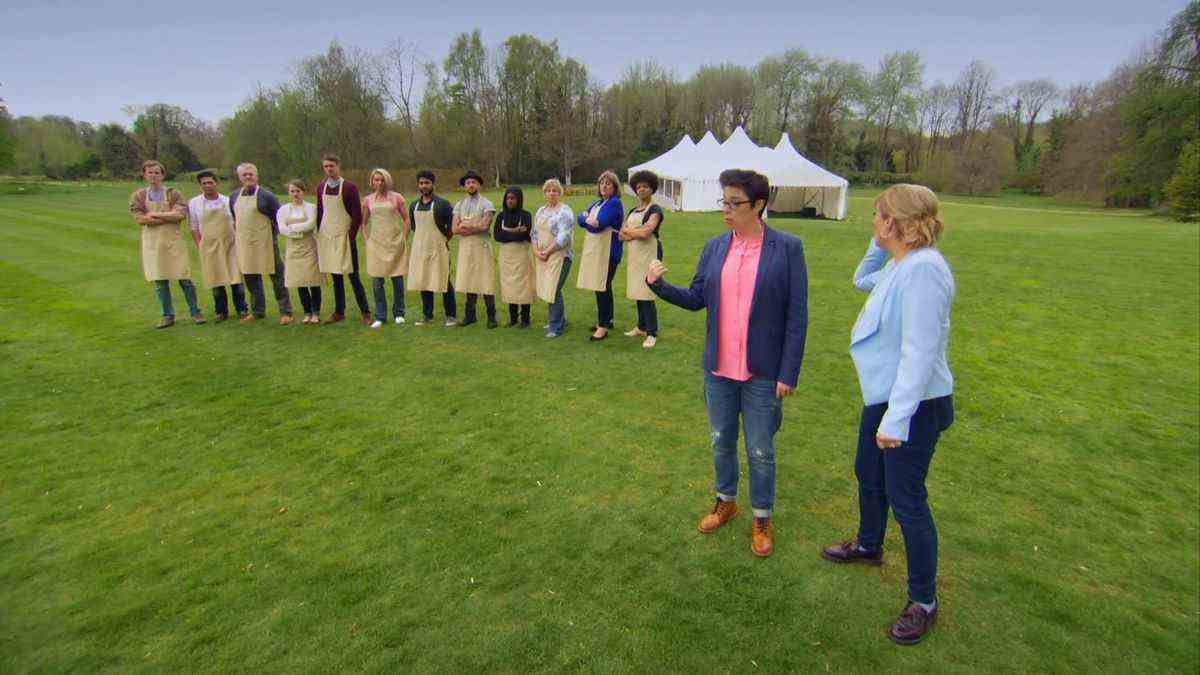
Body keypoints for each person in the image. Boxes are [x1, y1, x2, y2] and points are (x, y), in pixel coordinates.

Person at [646, 169, 808, 558]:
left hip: (762, 372)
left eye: (735, 203)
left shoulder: (787, 248)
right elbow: (697, 298)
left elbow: (796, 316)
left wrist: (788, 372)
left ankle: (762, 517)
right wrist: (658, 285)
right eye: (724, 201)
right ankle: (726, 501)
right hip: (718, 369)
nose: (727, 210)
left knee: (760, 449)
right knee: (721, 442)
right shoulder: (715, 247)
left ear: (759, 205)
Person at [819, 184, 955, 646]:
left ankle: (924, 601)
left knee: (907, 498)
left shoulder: (924, 271)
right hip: (886, 397)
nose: (872, 223)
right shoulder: (903, 263)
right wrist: (879, 244)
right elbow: (862, 279)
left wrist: (896, 421)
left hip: (913, 405)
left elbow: (920, 353)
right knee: (868, 474)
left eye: (878, 216)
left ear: (895, 222)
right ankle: (870, 544)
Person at [130, 159, 203, 328]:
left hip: (173, 241)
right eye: (150, 173)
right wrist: (165, 215)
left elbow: (179, 215)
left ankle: (195, 312)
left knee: (184, 278)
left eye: (157, 172)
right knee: (160, 281)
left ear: (162, 175)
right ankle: (167, 315)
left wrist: (154, 216)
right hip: (152, 244)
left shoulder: (173, 193)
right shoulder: (139, 196)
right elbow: (140, 219)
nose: (154, 176)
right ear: (145, 175)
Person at [229, 162, 293, 324]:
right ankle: (257, 311)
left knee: (277, 276)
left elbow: (279, 219)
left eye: (251, 174)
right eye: (245, 174)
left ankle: (286, 312)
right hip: (245, 243)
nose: (248, 177)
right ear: (240, 177)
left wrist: (273, 237)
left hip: (266, 243)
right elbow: (235, 218)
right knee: (250, 276)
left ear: (257, 176)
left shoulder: (267, 196)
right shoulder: (234, 196)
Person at [315, 154, 371, 325]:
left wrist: (350, 237)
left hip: (345, 237)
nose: (329, 169)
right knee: (335, 275)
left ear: (338, 166)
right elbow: (320, 212)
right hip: (328, 236)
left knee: (353, 276)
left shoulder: (349, 187)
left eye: (332, 165)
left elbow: (357, 215)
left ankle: (366, 312)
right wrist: (320, 233)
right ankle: (339, 312)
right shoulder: (320, 188)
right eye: (326, 166)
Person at [188, 170, 246, 321]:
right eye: (204, 183)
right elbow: (193, 226)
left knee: (236, 279)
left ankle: (242, 309)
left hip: (230, 244)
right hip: (209, 245)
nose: (207, 185)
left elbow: (236, 222)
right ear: (200, 185)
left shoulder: (227, 201)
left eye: (210, 182)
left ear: (216, 183)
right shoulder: (194, 203)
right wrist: (200, 244)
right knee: (215, 279)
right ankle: (221, 311)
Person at [576, 170, 625, 341]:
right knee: (603, 286)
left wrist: (586, 219)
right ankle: (607, 320)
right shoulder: (597, 203)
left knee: (602, 286)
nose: (604, 186)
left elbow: (599, 224)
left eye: (608, 183)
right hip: (597, 251)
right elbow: (580, 218)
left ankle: (602, 327)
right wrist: (586, 219)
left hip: (609, 251)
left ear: (614, 187)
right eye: (602, 183)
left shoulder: (614, 203)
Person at [619, 170, 665, 349]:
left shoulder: (655, 210)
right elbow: (621, 235)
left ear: (651, 189)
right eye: (638, 187)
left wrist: (631, 232)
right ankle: (641, 326)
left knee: (647, 292)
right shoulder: (632, 211)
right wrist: (634, 232)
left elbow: (648, 232)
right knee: (638, 290)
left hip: (649, 254)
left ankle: (652, 332)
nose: (641, 190)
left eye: (645, 187)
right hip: (635, 255)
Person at [406, 170, 458, 326]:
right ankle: (427, 316)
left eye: (427, 183)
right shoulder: (413, 205)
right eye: (421, 183)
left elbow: (451, 229)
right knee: (424, 280)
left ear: (433, 184)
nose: (424, 186)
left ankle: (451, 315)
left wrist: (443, 241)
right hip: (420, 248)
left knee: (444, 280)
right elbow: (415, 227)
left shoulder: (443, 204)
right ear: (418, 185)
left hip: (439, 248)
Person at [362, 168, 411, 328]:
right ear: (372, 181)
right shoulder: (368, 200)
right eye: (376, 180)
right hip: (376, 244)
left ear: (387, 181)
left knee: (397, 279)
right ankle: (380, 316)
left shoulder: (397, 198)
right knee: (377, 281)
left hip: (394, 242)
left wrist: (403, 238)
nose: (379, 183)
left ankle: (399, 313)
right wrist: (367, 240)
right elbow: (363, 223)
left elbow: (406, 219)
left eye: (382, 180)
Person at [452, 170, 498, 328]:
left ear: (479, 184)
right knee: (468, 279)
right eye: (468, 183)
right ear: (465, 186)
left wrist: (465, 224)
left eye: (473, 182)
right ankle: (470, 316)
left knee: (486, 280)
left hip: (482, 247)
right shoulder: (459, 204)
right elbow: (454, 229)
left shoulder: (487, 204)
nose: (471, 185)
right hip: (466, 248)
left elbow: (485, 225)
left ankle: (491, 317)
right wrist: (474, 226)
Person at [276, 179, 324, 324]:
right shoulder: (283, 209)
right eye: (292, 191)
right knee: (300, 281)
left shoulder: (311, 208)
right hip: (293, 249)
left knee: (313, 281)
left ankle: (316, 312)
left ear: (303, 192)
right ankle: (307, 312)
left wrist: (293, 228)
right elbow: (281, 227)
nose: (295, 194)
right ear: (289, 192)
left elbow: (310, 224)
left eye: (298, 191)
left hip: (309, 247)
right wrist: (295, 231)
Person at [532, 178, 574, 338]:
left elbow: (564, 237)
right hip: (543, 256)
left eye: (555, 190)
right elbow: (534, 233)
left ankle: (556, 327)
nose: (551, 193)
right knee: (548, 288)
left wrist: (547, 252)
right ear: (544, 193)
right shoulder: (541, 211)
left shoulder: (565, 211)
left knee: (554, 288)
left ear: (560, 193)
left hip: (559, 256)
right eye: (548, 190)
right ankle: (559, 320)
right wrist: (536, 251)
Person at [492, 186, 534, 327]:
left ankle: (525, 319)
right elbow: (497, 236)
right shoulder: (501, 216)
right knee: (509, 286)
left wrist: (509, 235)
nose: (510, 201)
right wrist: (517, 233)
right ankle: (513, 318)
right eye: (508, 198)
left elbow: (526, 235)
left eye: (513, 198)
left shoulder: (526, 215)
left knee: (523, 287)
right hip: (506, 256)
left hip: (522, 255)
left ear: (519, 199)